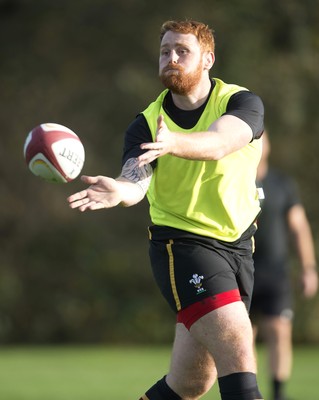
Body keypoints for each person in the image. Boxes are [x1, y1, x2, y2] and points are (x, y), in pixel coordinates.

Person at [68, 20, 265, 400]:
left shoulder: (241, 102)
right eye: (165, 51)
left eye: (182, 51)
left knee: (191, 383)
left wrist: (174, 142)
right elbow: (135, 181)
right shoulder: (144, 125)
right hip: (183, 247)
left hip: (239, 248)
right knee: (239, 344)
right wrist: (120, 190)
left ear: (208, 59)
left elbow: (223, 141)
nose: (171, 58)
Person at [250, 132, 318, 400]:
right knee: (243, 339)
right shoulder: (232, 181)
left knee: (279, 331)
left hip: (275, 273)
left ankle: (279, 394)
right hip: (240, 271)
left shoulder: (282, 184)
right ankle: (249, 392)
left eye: (261, 138)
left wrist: (308, 268)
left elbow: (299, 228)